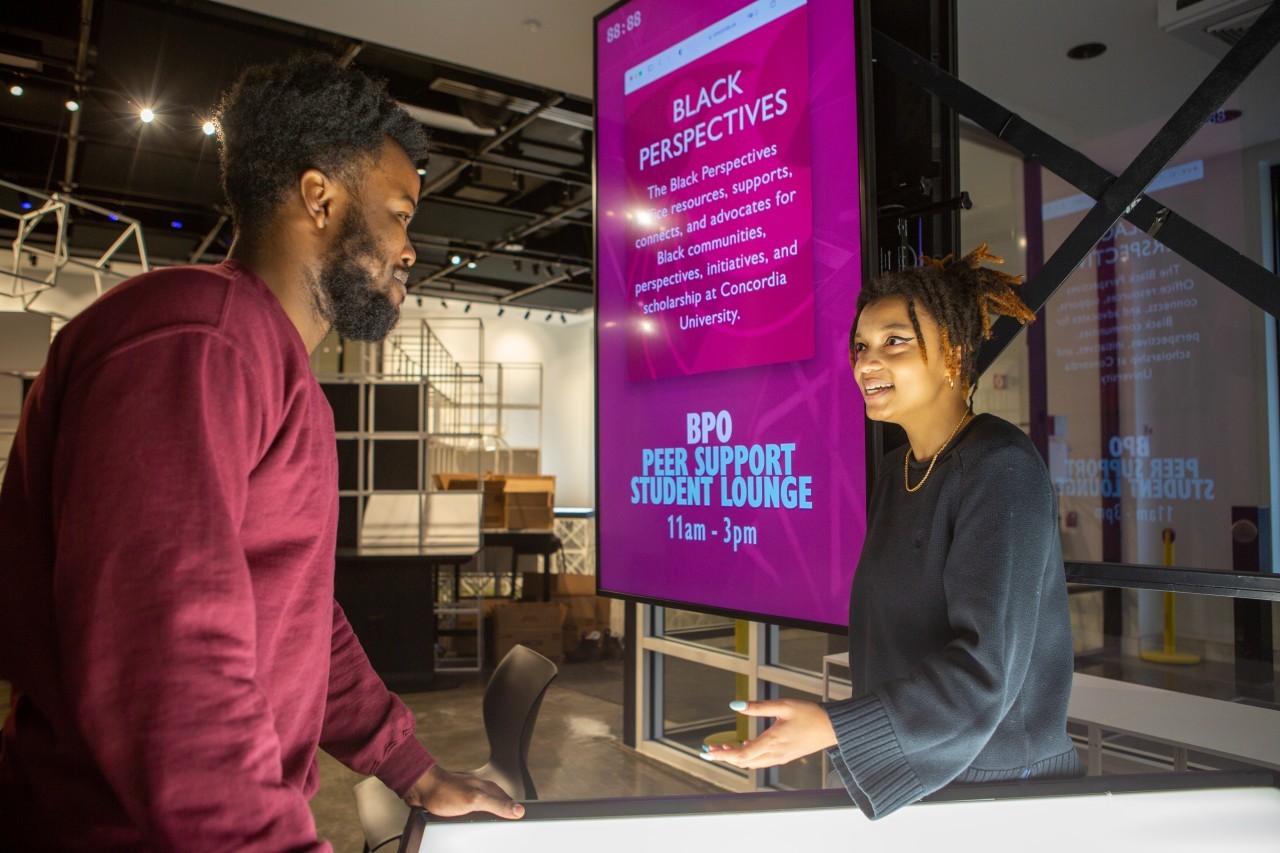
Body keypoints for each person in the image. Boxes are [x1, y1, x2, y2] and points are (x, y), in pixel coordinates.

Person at [0, 54, 522, 850]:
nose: (409, 248)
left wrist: (412, 768)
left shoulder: (272, 370)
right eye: (400, 213)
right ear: (320, 198)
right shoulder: (196, 340)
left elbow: (298, 624)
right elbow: (170, 670)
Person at [701, 245, 1081, 818]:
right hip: (933, 778)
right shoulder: (897, 469)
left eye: (894, 341)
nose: (866, 362)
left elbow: (987, 668)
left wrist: (834, 725)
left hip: (1005, 790)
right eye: (860, 346)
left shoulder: (1000, 466)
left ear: (952, 352)